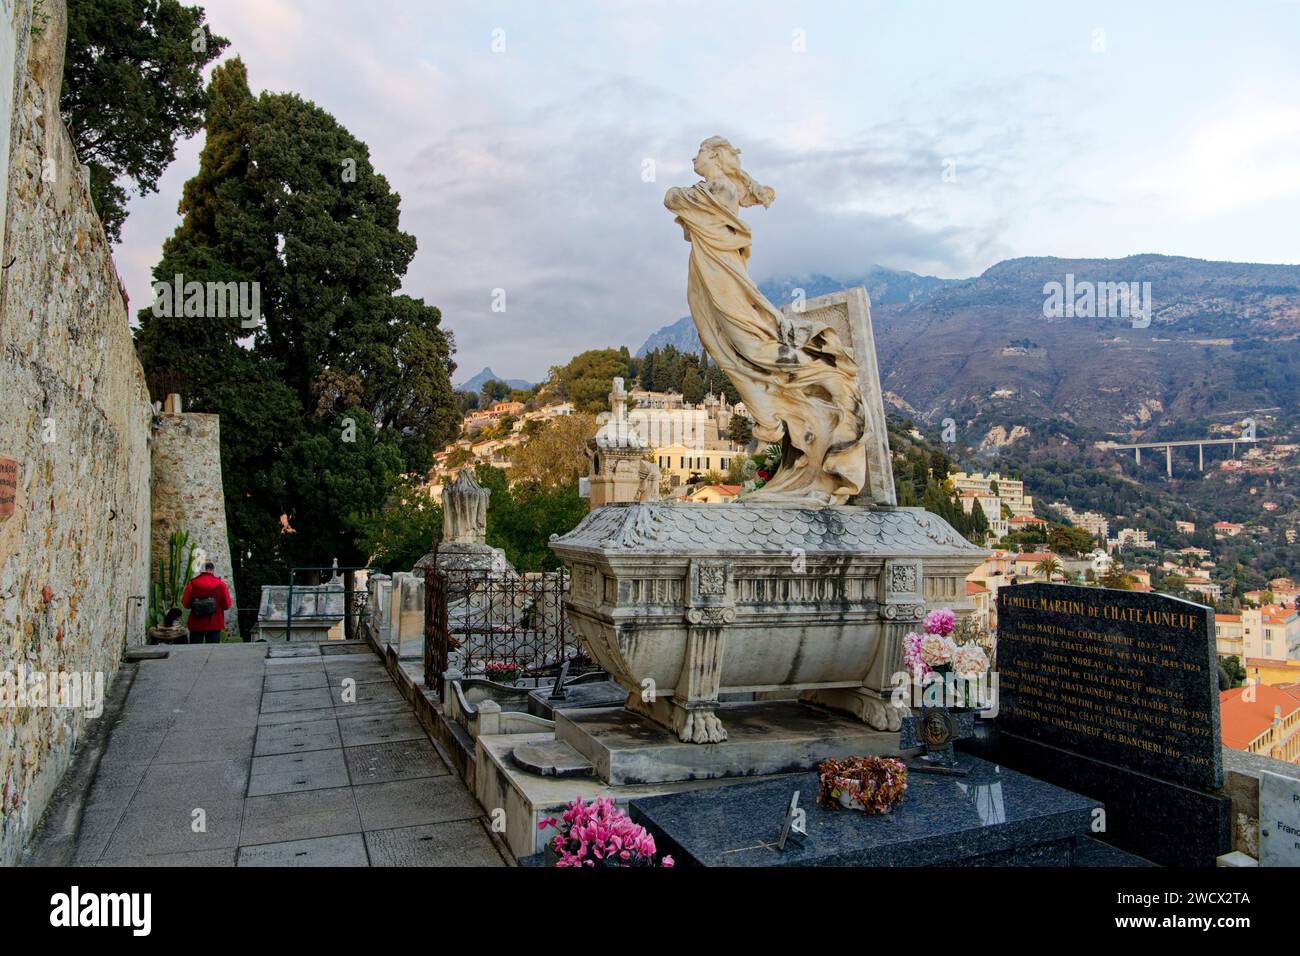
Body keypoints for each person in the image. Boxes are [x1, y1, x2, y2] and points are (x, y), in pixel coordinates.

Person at [181, 560, 233, 644]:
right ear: (213, 570)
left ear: (201, 570)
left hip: (196, 623)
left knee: (195, 652)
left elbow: (186, 604)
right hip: (214, 623)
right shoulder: (221, 584)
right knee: (213, 651)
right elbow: (226, 605)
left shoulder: (192, 584)